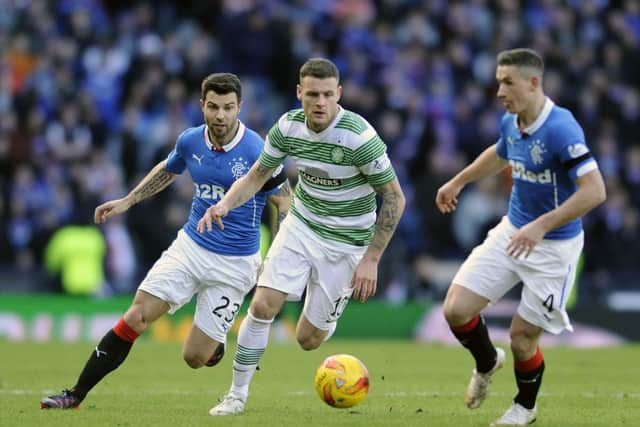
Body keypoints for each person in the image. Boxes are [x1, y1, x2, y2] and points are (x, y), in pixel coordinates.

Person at [40, 73, 291, 409]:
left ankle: (212, 344)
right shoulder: (190, 140)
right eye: (213, 106)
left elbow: (283, 202)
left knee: (194, 358)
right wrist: (128, 200)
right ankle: (75, 394)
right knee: (135, 316)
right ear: (202, 105)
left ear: (239, 108)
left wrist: (275, 256)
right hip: (191, 246)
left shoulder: (257, 150)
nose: (220, 115)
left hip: (235, 264)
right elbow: (168, 169)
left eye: (228, 108)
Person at [198, 58, 406, 416]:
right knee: (262, 306)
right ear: (299, 94)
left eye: (327, 94)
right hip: (302, 225)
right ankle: (236, 394)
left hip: (347, 242)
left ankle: (327, 307)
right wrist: (224, 205)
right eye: (312, 94)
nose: (320, 102)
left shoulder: (358, 136)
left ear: (339, 94)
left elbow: (394, 197)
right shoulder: (288, 127)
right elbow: (258, 175)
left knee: (308, 340)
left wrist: (371, 259)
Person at [435, 48, 606, 426]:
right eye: (498, 82)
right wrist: (459, 180)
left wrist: (542, 225)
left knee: (522, 338)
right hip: (513, 231)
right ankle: (487, 362)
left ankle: (524, 409)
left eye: (507, 82)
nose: (499, 91)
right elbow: (500, 154)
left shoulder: (562, 128)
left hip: (553, 248)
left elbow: (595, 191)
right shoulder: (511, 122)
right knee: (456, 309)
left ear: (533, 83)